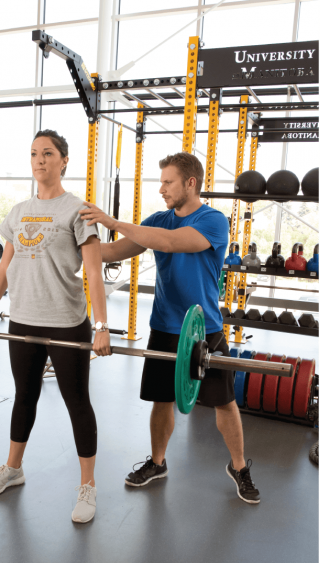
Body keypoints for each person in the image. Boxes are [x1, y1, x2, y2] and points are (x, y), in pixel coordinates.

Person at [79, 152, 261, 505]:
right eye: (160, 181)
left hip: (204, 329)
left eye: (168, 182)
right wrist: (66, 244)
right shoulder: (157, 219)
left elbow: (170, 243)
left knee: (223, 402)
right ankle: (158, 462)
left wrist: (113, 220)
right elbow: (113, 251)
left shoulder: (213, 220)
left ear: (190, 183)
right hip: (164, 326)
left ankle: (238, 466)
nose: (161, 188)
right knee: (161, 401)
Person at [0, 130, 113, 524]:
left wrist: (101, 325)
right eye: (34, 153)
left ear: (64, 160)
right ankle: (13, 468)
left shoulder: (79, 211)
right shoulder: (18, 212)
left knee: (77, 402)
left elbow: (93, 272)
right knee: (24, 396)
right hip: (22, 319)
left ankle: (87, 486)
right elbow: (5, 268)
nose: (39, 160)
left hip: (67, 323)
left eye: (48, 153)